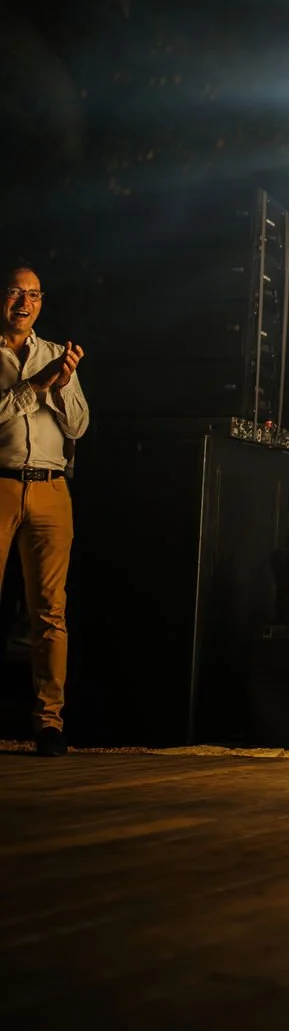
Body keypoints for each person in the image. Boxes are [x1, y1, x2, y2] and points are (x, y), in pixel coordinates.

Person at [0, 264, 89, 756]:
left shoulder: (57, 356)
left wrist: (57, 385)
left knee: (51, 612)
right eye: (15, 292)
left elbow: (78, 426)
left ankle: (48, 722)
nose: (23, 302)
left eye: (32, 295)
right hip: (1, 484)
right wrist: (32, 387)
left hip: (52, 489)